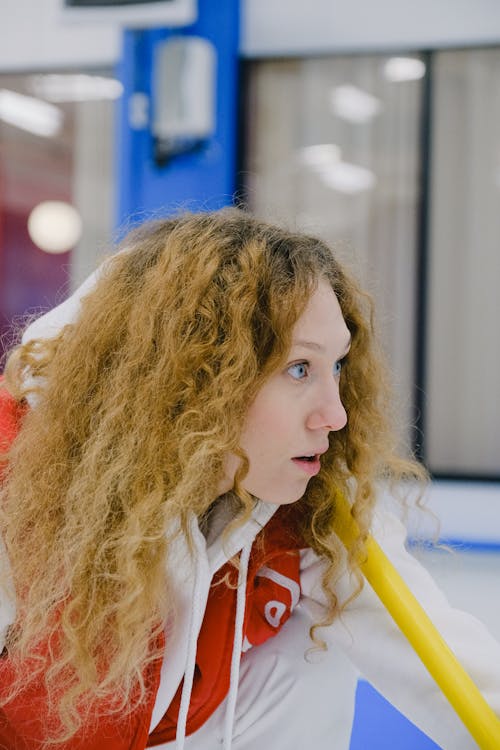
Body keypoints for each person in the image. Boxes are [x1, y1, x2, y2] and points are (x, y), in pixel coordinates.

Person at [0, 208, 498, 750]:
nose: (336, 414)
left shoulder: (311, 502)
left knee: (306, 659)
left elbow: (449, 666)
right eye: (300, 368)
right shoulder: (16, 477)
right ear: (195, 374)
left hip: (165, 731)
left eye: (337, 367)